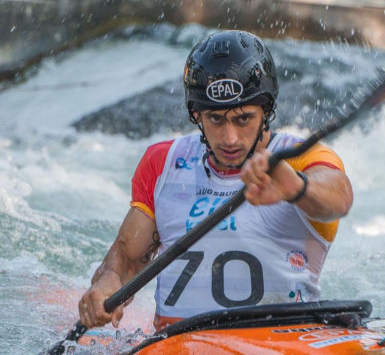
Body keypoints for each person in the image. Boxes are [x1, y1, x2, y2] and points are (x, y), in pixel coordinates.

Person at [78, 30, 353, 332]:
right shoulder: (163, 162)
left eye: (243, 118)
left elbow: (339, 198)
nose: (229, 138)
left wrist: (297, 187)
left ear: (267, 111)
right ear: (197, 114)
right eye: (216, 119)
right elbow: (127, 261)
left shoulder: (300, 157)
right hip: (178, 352)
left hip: (281, 343)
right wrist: (108, 282)